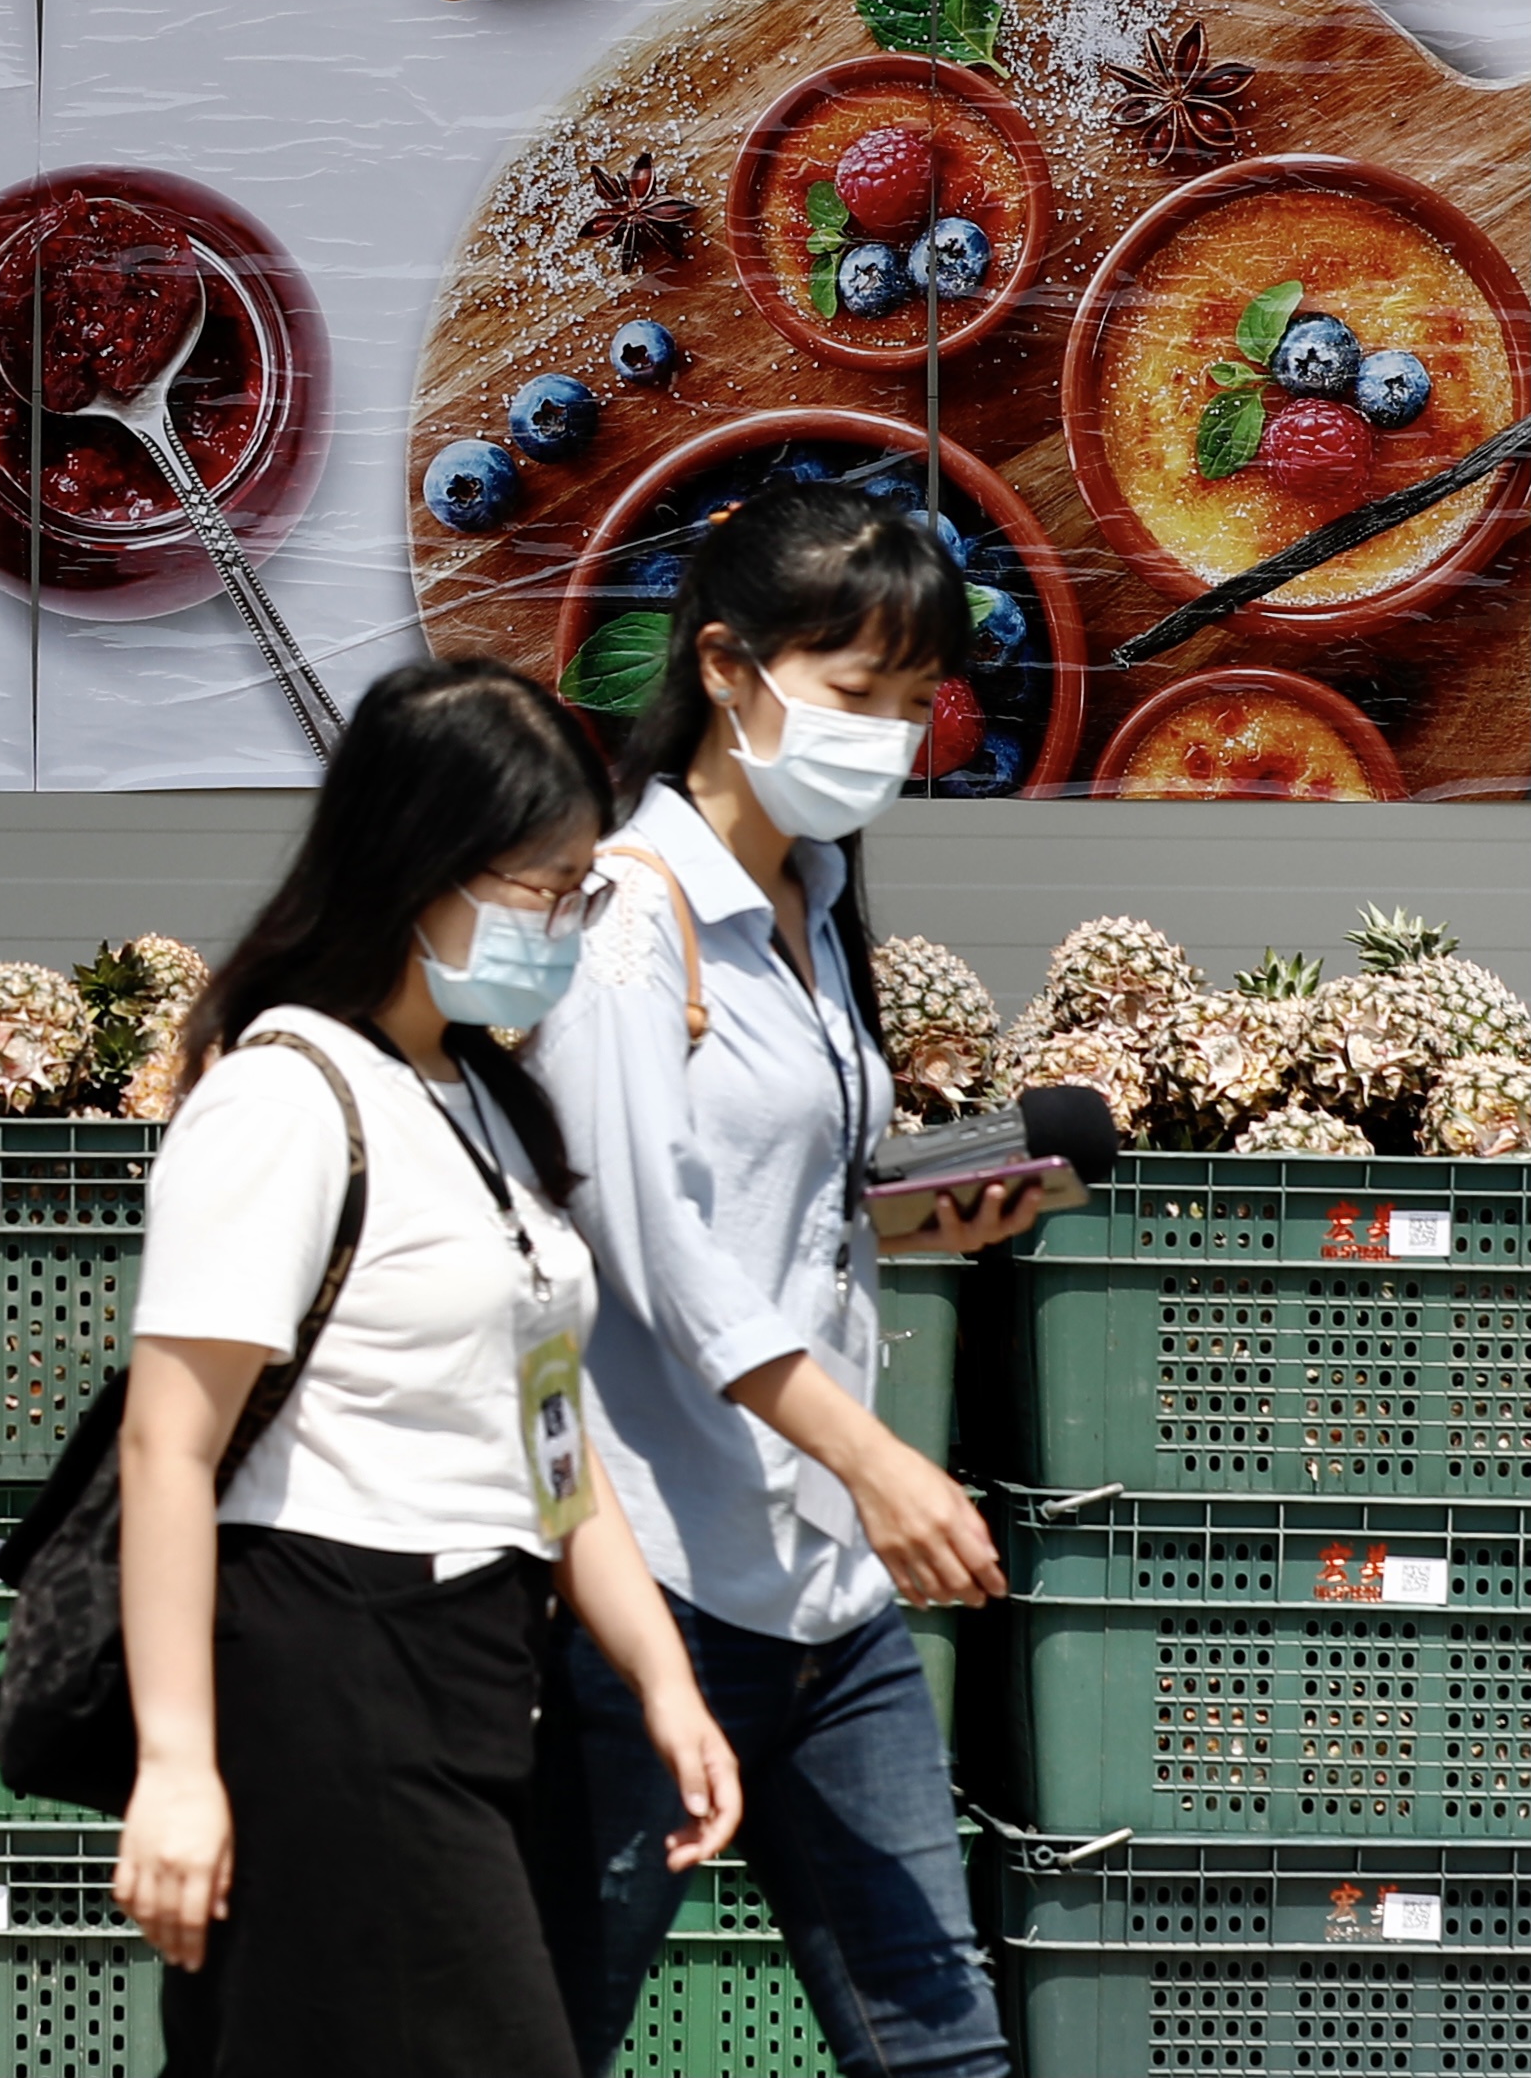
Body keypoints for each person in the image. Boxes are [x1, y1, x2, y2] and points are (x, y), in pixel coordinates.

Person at [114, 657, 741, 2078]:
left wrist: (663, 1680)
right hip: (334, 1658)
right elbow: (170, 1448)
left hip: (475, 1664)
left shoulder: (473, 1097)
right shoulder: (283, 1096)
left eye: (583, 887)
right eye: (544, 886)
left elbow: (553, 1439)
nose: (569, 924)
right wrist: (176, 1765)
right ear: (421, 863)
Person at [529, 479, 1044, 2078]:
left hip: (825, 1599)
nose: (888, 741)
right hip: (652, 1587)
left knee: (941, 2046)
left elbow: (778, 1207)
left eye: (912, 704)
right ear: (728, 669)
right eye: (854, 696)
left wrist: (930, 1210)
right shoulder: (622, 922)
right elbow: (665, 1259)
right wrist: (875, 1454)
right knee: (544, 2032)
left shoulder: (814, 913)